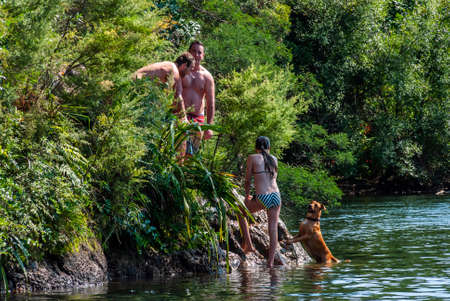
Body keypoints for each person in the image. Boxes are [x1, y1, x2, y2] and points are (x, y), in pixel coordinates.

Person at [238, 136, 282, 268]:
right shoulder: (274, 159)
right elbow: (273, 178)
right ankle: (270, 262)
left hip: (262, 197)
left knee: (240, 213)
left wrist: (247, 196)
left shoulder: (252, 158)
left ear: (256, 147)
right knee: (273, 228)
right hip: (276, 196)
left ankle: (249, 246)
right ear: (269, 147)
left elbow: (247, 180)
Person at [133, 52, 195, 120]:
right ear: (185, 65)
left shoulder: (169, 66)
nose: (190, 73)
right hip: (136, 84)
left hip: (134, 83)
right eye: (191, 69)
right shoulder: (174, 71)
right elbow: (178, 97)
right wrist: (184, 119)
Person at [182, 41, 215, 153]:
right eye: (194, 51)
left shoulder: (207, 76)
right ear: (188, 52)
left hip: (197, 120)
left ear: (203, 56)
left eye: (199, 52)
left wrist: (209, 127)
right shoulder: (181, 71)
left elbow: (210, 103)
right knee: (176, 152)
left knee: (191, 155)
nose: (196, 55)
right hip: (180, 115)